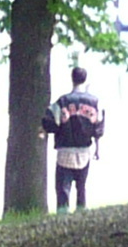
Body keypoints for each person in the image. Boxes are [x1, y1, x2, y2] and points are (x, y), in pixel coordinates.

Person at [42, 65, 106, 211]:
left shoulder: (62, 102)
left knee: (63, 188)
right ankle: (81, 212)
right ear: (85, 79)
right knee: (81, 186)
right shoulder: (95, 103)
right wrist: (97, 149)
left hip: (64, 152)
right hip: (84, 151)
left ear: (72, 79)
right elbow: (99, 128)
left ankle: (62, 215)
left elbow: (50, 122)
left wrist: (45, 131)